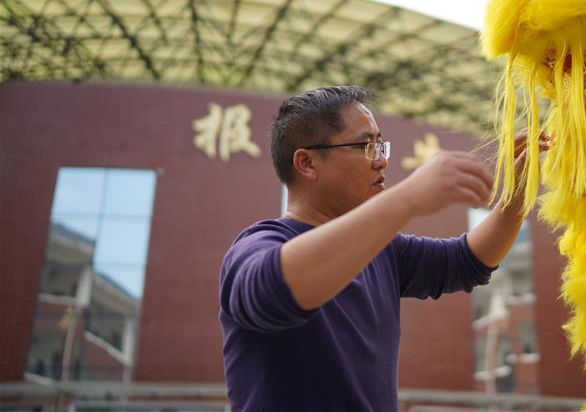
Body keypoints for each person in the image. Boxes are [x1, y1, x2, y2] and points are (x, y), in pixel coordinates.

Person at [219, 85, 546, 411]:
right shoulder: (256, 246)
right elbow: (274, 288)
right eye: (365, 146)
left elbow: (467, 260)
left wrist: (516, 194)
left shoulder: (382, 250)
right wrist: (407, 198)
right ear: (306, 163)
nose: (381, 161)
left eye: (380, 145)